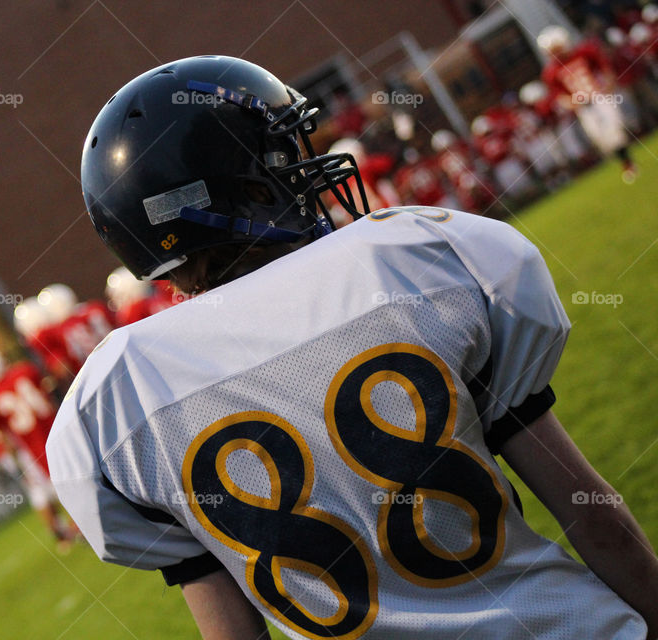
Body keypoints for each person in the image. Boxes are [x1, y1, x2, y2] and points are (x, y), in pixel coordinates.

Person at [45, 55, 657, 639]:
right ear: (247, 190)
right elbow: (598, 522)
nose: (301, 170)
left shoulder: (117, 400)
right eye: (281, 155)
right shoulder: (417, 262)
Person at [0, 345, 77, 547]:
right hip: (53, 430)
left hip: (28, 447)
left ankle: (65, 531)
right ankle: (71, 528)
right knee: (65, 481)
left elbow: (0, 435)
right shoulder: (24, 371)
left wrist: (10, 458)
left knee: (42, 491)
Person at [538, 25, 639, 183]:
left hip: (599, 96)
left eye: (556, 48)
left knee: (614, 127)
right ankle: (623, 159)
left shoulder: (584, 52)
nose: (555, 53)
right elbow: (561, 97)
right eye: (552, 50)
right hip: (583, 107)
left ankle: (628, 163)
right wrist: (573, 103)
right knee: (598, 137)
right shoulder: (550, 73)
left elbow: (604, 68)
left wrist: (608, 84)